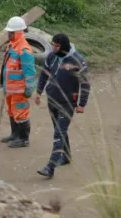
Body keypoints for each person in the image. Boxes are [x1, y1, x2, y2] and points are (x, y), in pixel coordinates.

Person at [35, 33, 90, 179]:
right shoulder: (52, 56)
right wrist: (38, 92)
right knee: (60, 130)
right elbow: (44, 75)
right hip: (52, 99)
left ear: (64, 46)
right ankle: (66, 156)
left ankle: (50, 166)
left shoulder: (78, 60)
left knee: (58, 132)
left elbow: (85, 83)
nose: (53, 47)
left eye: (57, 46)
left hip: (68, 102)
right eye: (53, 44)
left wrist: (82, 104)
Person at [0, 16, 37, 149]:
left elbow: (30, 72)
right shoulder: (11, 46)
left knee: (21, 113)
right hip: (10, 89)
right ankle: (15, 134)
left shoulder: (24, 50)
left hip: (20, 90)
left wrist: (29, 88)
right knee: (11, 111)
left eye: (11, 32)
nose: (8, 34)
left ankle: (24, 138)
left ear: (19, 32)